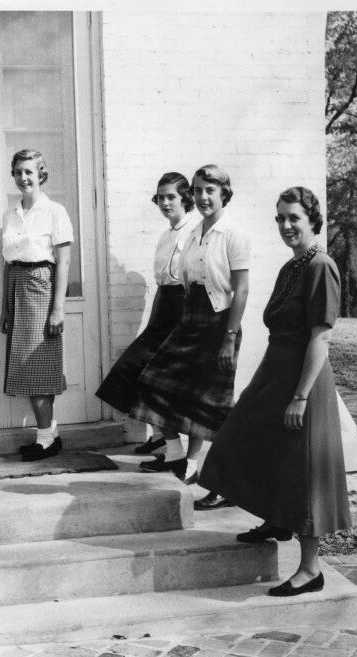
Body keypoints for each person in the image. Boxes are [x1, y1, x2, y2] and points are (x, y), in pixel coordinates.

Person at [199, 186, 351, 596]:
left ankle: (310, 570)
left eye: (293, 218)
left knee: (303, 468)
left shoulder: (320, 266)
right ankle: (276, 519)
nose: (285, 225)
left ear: (312, 220)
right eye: (280, 217)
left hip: (304, 379)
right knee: (243, 439)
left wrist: (300, 397)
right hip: (276, 372)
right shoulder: (291, 267)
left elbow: (320, 337)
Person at [129, 164, 249, 506]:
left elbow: (241, 290)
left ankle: (196, 466)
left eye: (210, 190)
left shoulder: (233, 234)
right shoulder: (194, 233)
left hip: (219, 322)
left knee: (206, 400)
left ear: (224, 193)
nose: (203, 196)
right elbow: (185, 278)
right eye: (197, 190)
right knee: (151, 382)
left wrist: (229, 337)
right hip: (190, 317)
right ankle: (179, 454)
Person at [95, 172, 199, 461]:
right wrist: (153, 323)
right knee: (134, 371)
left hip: (184, 309)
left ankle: (174, 452)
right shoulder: (166, 235)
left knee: (160, 380)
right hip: (164, 308)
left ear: (185, 198)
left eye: (171, 197)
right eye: (160, 197)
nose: (165, 203)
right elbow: (162, 284)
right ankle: (161, 439)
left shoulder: (195, 232)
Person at [0, 148, 73, 462]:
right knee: (29, 367)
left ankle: (45, 439)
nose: (23, 178)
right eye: (18, 172)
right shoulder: (11, 213)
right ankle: (49, 435)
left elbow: (64, 262)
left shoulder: (55, 211)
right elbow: (7, 263)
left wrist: (58, 309)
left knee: (38, 364)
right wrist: (5, 308)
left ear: (41, 174)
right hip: (17, 285)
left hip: (41, 286)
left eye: (29, 171)